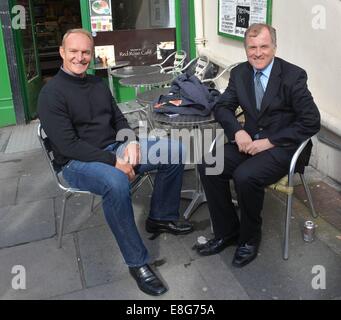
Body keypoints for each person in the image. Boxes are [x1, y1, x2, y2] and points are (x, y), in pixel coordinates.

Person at [37, 29, 193, 296]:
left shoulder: (97, 84)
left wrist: (131, 141)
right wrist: (115, 161)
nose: (80, 57)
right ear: (62, 52)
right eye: (73, 51)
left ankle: (160, 217)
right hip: (77, 163)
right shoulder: (51, 94)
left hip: (115, 147)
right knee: (116, 181)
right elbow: (68, 146)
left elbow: (119, 119)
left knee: (174, 150)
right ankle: (138, 262)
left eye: (85, 52)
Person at [197, 23, 320, 267]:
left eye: (264, 46)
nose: (258, 53)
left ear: (274, 47)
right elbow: (222, 107)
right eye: (252, 47)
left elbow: (311, 122)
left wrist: (270, 142)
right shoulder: (241, 73)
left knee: (245, 176)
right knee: (209, 164)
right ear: (245, 49)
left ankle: (249, 238)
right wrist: (238, 132)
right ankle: (227, 231)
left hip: (285, 146)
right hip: (249, 139)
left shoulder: (293, 76)